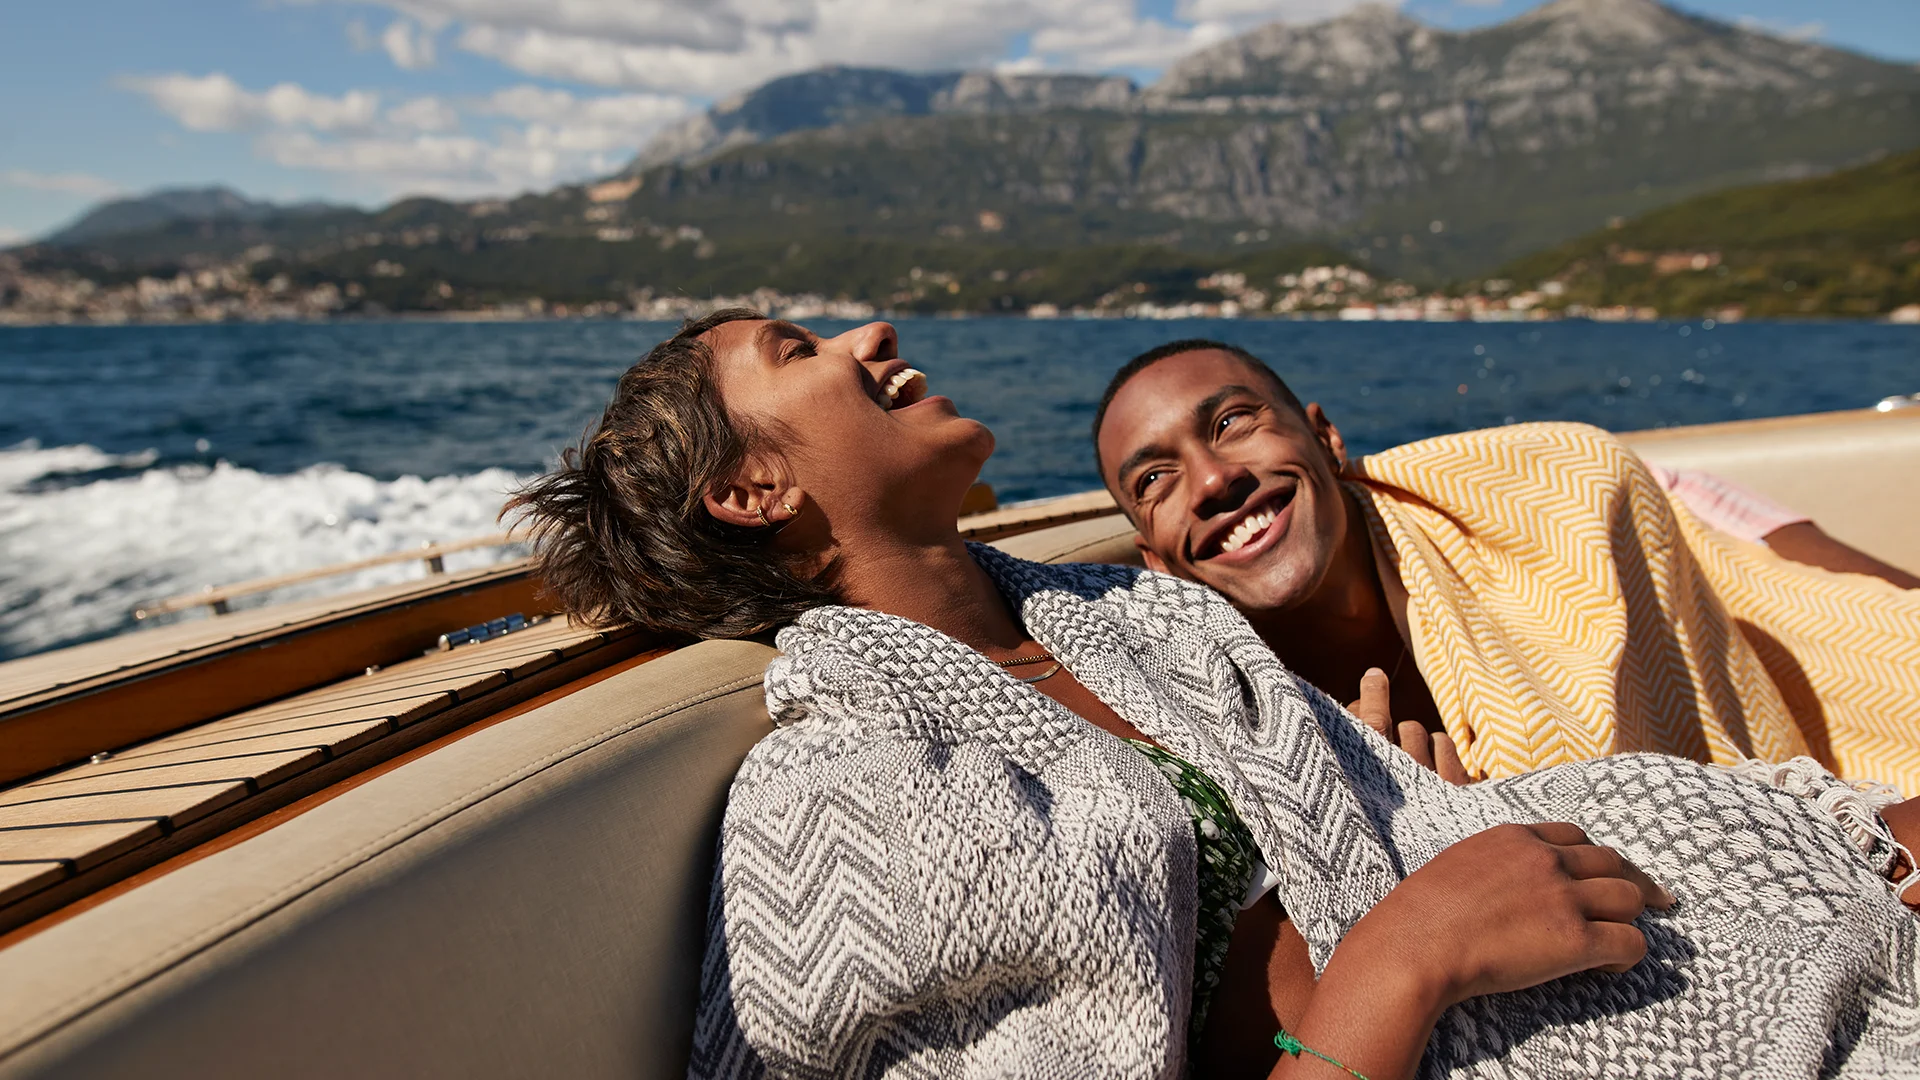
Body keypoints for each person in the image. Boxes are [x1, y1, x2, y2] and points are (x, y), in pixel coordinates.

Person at [511, 311, 1920, 1079]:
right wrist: (1398, 962)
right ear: (753, 487)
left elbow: (1421, 833)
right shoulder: (841, 800)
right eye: (798, 350)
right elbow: (1387, 930)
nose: (869, 330)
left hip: (1684, 967)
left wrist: (1852, 828)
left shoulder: (1145, 628)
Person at [1093, 340, 1920, 790]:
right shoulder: (1209, 720)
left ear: (1327, 438)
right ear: (1155, 559)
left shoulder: (1550, 502)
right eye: (1154, 479)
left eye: (1234, 422)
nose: (1212, 481)